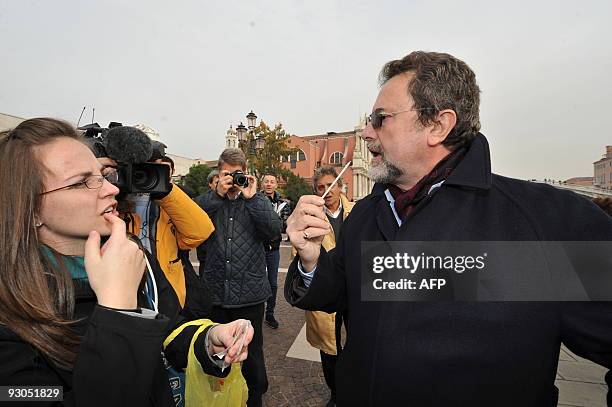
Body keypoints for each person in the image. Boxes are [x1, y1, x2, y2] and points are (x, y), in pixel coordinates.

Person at [284, 51, 612, 406]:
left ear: (438, 125)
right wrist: (310, 260)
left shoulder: (547, 221)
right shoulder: (366, 214)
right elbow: (335, 294)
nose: (366, 132)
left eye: (380, 118)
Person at [0, 118, 253, 406]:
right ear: (29, 209)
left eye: (103, 175)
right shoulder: (9, 309)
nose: (111, 190)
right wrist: (117, 309)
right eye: (82, 182)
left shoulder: (129, 254)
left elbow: (167, 328)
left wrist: (208, 341)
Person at [195, 148, 282, 407]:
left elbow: (274, 231)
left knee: (252, 354)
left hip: (250, 293)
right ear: (218, 174)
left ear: (246, 173)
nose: (232, 180)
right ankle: (219, 397)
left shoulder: (254, 201)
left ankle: (255, 397)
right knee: (216, 350)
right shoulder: (209, 201)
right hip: (215, 292)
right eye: (226, 174)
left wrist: (254, 198)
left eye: (237, 174)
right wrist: (217, 195)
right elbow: (191, 221)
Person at [95, 126, 214, 309]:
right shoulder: (110, 198)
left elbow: (200, 232)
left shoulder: (168, 201)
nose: (141, 174)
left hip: (166, 294)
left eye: (149, 167)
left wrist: (165, 190)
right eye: (135, 168)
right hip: (120, 291)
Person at [306, 166, 354, 407]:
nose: (327, 191)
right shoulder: (310, 217)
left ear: (340, 185)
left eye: (331, 185)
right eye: (321, 187)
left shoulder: (357, 211)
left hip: (355, 290)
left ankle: (354, 389)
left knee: (358, 339)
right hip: (325, 292)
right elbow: (301, 258)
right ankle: (335, 394)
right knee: (329, 347)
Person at [260, 173, 291, 329]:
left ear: (276, 185)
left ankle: (269, 313)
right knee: (256, 281)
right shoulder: (255, 200)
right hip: (257, 248)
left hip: (274, 248)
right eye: (266, 181)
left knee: (273, 283)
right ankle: (257, 312)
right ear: (262, 184)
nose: (269, 184)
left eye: (272, 182)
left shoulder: (283, 203)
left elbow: (285, 226)